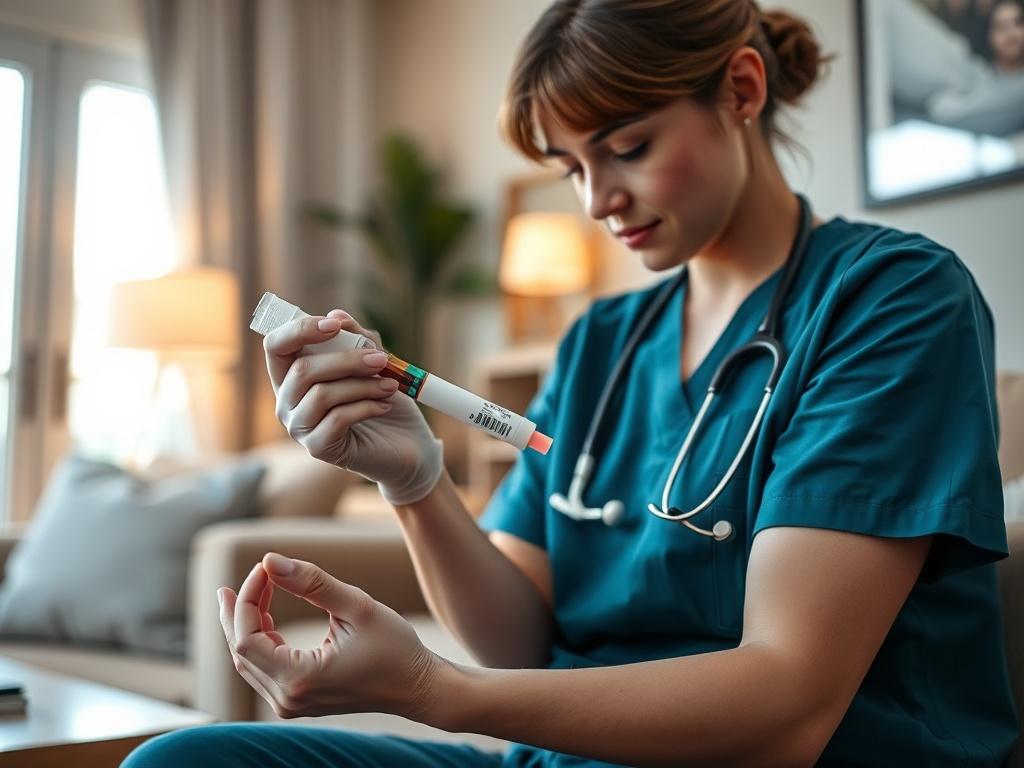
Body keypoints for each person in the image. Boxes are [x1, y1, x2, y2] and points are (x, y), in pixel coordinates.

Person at [123, 1, 1019, 765]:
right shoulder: (602, 342)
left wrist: (433, 689)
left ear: (742, 90)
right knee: (184, 759)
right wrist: (414, 481)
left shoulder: (891, 299)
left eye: (627, 147)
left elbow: (787, 706)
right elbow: (515, 641)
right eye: (572, 169)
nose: (596, 201)